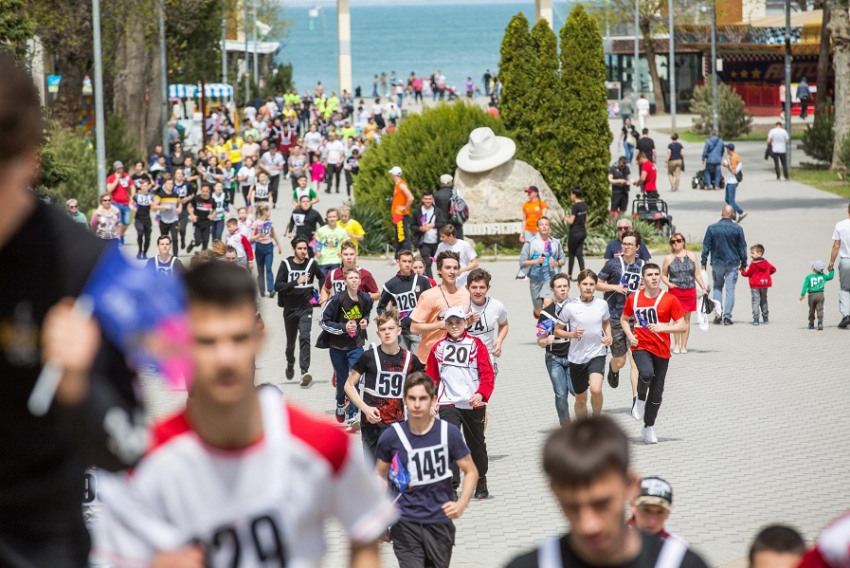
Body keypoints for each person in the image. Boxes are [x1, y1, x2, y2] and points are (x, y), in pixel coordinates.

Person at [91, 262, 396, 567]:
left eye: (237, 339)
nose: (225, 358)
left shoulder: (323, 445)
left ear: (259, 337)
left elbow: (367, 529)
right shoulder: (144, 466)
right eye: (207, 341)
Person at [0, 51, 146, 564]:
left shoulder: (85, 266)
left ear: (25, 158)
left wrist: (79, 388)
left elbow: (128, 446)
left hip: (38, 545)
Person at [503, 416, 709, 568]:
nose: (588, 525)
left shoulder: (680, 563)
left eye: (601, 504)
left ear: (631, 486)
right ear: (554, 493)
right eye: (572, 506)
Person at [375, 372, 478, 568]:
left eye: (423, 398)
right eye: (412, 398)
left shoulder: (448, 433)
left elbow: (470, 470)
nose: (417, 404)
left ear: (432, 400)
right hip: (405, 523)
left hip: (439, 522)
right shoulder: (392, 437)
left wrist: (462, 503)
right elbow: (380, 474)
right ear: (404, 400)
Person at [426, 306, 495, 500]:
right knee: (449, 441)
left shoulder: (476, 345)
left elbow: (487, 375)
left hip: (473, 403)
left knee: (476, 445)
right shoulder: (438, 348)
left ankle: (481, 478)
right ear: (445, 325)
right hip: (449, 402)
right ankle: (451, 486)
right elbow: (431, 377)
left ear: (465, 323)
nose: (454, 326)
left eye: (458, 322)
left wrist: (481, 394)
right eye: (450, 323)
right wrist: (431, 399)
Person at [345, 309, 424, 458]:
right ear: (378, 334)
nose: (387, 332)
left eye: (390, 328)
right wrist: (365, 408)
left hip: (398, 423)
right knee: (374, 473)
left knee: (397, 471)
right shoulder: (368, 357)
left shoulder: (410, 359)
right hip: (371, 424)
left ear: (399, 330)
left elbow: (422, 389)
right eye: (382, 329)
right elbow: (349, 385)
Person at [621, 263, 686, 444]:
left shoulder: (670, 299)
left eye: (657, 274)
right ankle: (640, 399)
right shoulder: (633, 299)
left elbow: (682, 326)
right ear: (643, 278)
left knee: (657, 393)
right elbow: (624, 319)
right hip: (640, 346)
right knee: (646, 373)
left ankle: (648, 427)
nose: (654, 277)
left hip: (662, 350)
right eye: (650, 274)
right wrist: (629, 336)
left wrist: (664, 327)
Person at [319, 267, 374, 427]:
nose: (354, 281)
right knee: (343, 379)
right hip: (337, 346)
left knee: (354, 379)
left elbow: (367, 313)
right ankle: (340, 402)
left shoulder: (365, 298)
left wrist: (365, 321)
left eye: (357, 278)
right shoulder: (337, 300)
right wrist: (343, 328)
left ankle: (353, 416)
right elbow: (323, 321)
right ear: (345, 281)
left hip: (356, 345)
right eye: (351, 278)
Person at [557, 269, 613, 417]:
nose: (588, 287)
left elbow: (606, 322)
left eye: (591, 284)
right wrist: (571, 334)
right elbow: (557, 331)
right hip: (576, 357)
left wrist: (609, 336)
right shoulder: (570, 306)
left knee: (596, 389)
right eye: (585, 284)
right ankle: (583, 428)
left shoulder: (602, 304)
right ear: (579, 285)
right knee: (581, 400)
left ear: (595, 286)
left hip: (597, 353)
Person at [596, 231, 644, 398]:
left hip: (636, 319)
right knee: (620, 360)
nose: (626, 247)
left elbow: (651, 286)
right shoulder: (613, 264)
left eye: (630, 244)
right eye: (624, 244)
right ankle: (613, 369)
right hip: (616, 316)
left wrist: (645, 288)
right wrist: (614, 287)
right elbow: (597, 284)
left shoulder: (642, 265)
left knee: (635, 361)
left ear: (637, 247)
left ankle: (636, 400)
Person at [275, 235, 323, 386]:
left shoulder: (312, 264)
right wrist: (296, 281)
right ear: (294, 249)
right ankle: (290, 362)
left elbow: (322, 277)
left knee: (305, 337)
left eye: (305, 248)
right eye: (300, 248)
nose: (303, 251)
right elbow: (277, 286)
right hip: (290, 309)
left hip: (306, 308)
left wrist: (322, 292)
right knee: (290, 344)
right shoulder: (285, 265)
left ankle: (304, 372)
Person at [410, 251, 471, 364]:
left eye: (455, 268)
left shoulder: (465, 294)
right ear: (439, 270)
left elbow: (463, 323)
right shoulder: (428, 296)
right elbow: (414, 328)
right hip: (431, 357)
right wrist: (441, 325)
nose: (452, 271)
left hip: (457, 356)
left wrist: (470, 321)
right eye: (448, 268)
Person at [377, 249, 433, 353]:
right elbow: (381, 307)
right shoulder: (391, 284)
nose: (407, 264)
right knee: (403, 361)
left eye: (409, 261)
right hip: (400, 331)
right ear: (398, 262)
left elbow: (432, 302)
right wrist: (389, 322)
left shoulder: (422, 281)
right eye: (404, 261)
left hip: (418, 329)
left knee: (418, 361)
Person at [701, 205, 749, 325]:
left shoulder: (712, 228)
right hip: (732, 263)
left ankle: (718, 314)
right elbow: (742, 247)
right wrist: (744, 262)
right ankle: (727, 317)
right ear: (733, 215)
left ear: (721, 214)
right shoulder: (737, 228)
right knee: (730, 290)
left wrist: (703, 262)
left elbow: (706, 246)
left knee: (717, 287)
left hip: (717, 262)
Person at [536, 273, 574, 424]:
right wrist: (545, 340)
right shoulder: (547, 313)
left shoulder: (576, 307)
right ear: (552, 290)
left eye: (565, 286)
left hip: (574, 356)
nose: (563, 289)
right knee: (560, 394)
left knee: (575, 390)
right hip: (554, 358)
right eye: (559, 287)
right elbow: (539, 340)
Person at [661, 233, 707, 353]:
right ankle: (676, 345)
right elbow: (663, 275)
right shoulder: (668, 258)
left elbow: (697, 274)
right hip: (675, 292)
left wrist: (703, 287)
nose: (676, 243)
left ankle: (684, 346)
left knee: (686, 319)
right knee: (677, 319)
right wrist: (669, 284)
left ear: (683, 242)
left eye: (678, 241)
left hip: (689, 290)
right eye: (673, 242)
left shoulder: (691, 255)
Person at [519, 216, 566, 318]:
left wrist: (557, 263)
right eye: (541, 225)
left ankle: (547, 331)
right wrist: (536, 261)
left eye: (546, 224)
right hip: (535, 278)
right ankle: (539, 315)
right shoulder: (530, 243)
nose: (544, 227)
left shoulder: (556, 243)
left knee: (547, 304)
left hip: (550, 277)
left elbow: (563, 259)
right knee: (538, 310)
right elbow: (522, 261)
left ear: (549, 227)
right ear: (537, 228)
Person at [466, 268, 509, 372]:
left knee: (485, 388)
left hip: (487, 359)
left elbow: (504, 324)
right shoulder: (460, 306)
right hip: (464, 360)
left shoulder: (496, 306)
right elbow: (449, 330)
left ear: (488, 288)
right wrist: (467, 323)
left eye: (482, 287)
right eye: (474, 287)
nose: (478, 291)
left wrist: (499, 340)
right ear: (467, 288)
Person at [320, 240, 380, 304]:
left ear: (356, 256)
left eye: (351, 254)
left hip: (357, 312)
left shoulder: (365, 274)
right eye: (345, 254)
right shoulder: (333, 274)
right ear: (340, 255)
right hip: (337, 312)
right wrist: (324, 306)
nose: (349, 257)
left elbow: (377, 294)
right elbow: (325, 289)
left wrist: (362, 297)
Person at [410, 190, 447, 278]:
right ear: (423, 199)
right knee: (427, 263)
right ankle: (430, 283)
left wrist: (433, 225)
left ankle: (444, 282)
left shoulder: (437, 211)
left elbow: (443, 223)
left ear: (433, 199)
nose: (428, 201)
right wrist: (420, 228)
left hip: (436, 241)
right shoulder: (417, 211)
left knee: (440, 263)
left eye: (430, 199)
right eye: (426, 199)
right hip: (424, 242)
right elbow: (412, 226)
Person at [251, 204, 282, 298]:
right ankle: (261, 289)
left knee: (268, 268)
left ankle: (271, 289)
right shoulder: (256, 223)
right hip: (259, 247)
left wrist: (279, 245)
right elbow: (251, 237)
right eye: (268, 211)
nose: (270, 212)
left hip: (269, 246)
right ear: (264, 212)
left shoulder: (270, 222)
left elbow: (273, 234)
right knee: (260, 270)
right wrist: (258, 236)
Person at [740, 244, 776, 326]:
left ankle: (756, 319)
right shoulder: (766, 263)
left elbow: (748, 274)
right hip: (764, 284)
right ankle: (766, 318)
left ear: (759, 254)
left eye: (753, 253)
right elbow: (773, 269)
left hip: (755, 285)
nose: (751, 255)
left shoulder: (753, 264)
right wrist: (767, 274)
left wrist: (742, 271)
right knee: (764, 300)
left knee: (755, 301)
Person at [828, 203, 850, 329]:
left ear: (848, 210)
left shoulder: (840, 225)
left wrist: (831, 263)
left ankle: (846, 315)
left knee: (845, 289)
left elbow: (836, 246)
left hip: (846, 261)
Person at [315, 208, 350, 280]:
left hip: (336, 260)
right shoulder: (321, 230)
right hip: (323, 260)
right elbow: (317, 243)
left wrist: (343, 253)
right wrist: (317, 252)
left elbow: (346, 244)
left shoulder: (341, 231)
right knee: (323, 281)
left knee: (335, 281)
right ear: (327, 218)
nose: (332, 219)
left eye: (334, 217)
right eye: (330, 217)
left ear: (337, 217)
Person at [800, 260, 835, 330]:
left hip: (811, 295)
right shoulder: (823, 276)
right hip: (820, 294)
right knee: (820, 309)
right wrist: (832, 270)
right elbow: (830, 277)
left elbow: (805, 286)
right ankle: (820, 322)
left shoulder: (809, 277)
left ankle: (811, 323)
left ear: (814, 268)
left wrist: (802, 294)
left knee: (811, 309)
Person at [105, 160, 133, 244]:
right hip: (115, 202)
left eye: (121, 168)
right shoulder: (111, 178)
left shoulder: (126, 176)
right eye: (118, 168)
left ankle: (121, 234)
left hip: (126, 203)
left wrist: (132, 197)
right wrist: (117, 179)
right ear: (115, 169)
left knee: (126, 222)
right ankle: (119, 238)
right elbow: (109, 189)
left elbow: (132, 186)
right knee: (119, 222)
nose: (120, 170)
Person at [389, 166, 414, 257]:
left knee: (403, 236)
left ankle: (408, 255)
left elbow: (410, 197)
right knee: (399, 236)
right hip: (397, 215)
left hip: (401, 214)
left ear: (393, 175)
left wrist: (404, 207)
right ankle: (397, 256)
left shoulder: (401, 185)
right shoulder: (398, 185)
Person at [185, 183, 217, 253]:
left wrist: (212, 216)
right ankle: (192, 244)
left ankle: (203, 258)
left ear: (209, 191)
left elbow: (215, 210)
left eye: (206, 191)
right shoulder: (196, 198)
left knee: (205, 242)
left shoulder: (211, 200)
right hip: (197, 222)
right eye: (203, 191)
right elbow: (189, 206)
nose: (205, 193)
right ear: (201, 190)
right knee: (198, 242)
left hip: (207, 222)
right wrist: (192, 215)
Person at [565, 188, 589, 278]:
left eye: (571, 194)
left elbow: (571, 221)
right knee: (579, 253)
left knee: (571, 253)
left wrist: (564, 218)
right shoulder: (584, 205)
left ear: (574, 195)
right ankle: (583, 273)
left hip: (574, 232)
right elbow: (586, 219)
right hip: (582, 231)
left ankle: (569, 274)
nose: (571, 196)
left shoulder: (575, 206)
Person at [434, 174, 464, 239]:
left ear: (441, 183)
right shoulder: (456, 193)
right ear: (450, 182)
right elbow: (462, 206)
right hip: (455, 222)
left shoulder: (435, 195)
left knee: (443, 243)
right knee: (458, 243)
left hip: (442, 224)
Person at [722, 143, 747, 222]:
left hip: (732, 181)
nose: (726, 150)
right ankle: (734, 217)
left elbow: (733, 171)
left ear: (729, 150)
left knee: (731, 200)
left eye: (727, 149)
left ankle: (741, 212)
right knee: (727, 199)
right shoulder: (735, 156)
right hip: (730, 181)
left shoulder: (733, 158)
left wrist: (727, 166)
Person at [131, 177, 154, 259]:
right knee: (140, 233)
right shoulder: (137, 195)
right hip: (138, 218)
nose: (144, 188)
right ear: (140, 187)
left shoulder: (151, 196)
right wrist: (133, 208)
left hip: (147, 219)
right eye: (142, 186)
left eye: (146, 186)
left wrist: (152, 204)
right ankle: (140, 250)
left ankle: (144, 252)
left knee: (147, 238)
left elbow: (155, 209)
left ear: (148, 186)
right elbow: (131, 203)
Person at [259, 142, 285, 207]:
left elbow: (282, 166)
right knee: (268, 188)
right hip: (267, 174)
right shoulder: (265, 155)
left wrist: (275, 168)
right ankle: (268, 201)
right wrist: (264, 168)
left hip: (276, 174)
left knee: (275, 189)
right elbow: (261, 163)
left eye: (273, 149)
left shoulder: (279, 156)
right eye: (271, 149)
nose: (272, 151)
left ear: (275, 149)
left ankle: (274, 201)